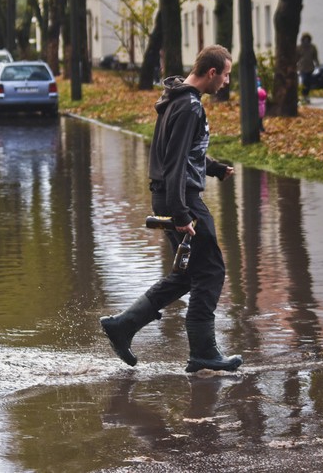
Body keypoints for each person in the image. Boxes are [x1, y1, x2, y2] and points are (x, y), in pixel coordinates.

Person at [100, 44, 243, 373]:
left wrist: (214, 168)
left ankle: (123, 326)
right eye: (226, 75)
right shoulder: (190, 107)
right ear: (211, 72)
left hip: (170, 194)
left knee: (187, 275)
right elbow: (176, 161)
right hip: (183, 199)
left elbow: (182, 153)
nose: (226, 82)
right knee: (210, 272)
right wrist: (181, 213)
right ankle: (204, 351)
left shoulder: (177, 100)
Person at [296, 32, 319, 104]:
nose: (306, 40)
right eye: (305, 39)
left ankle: (307, 95)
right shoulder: (299, 47)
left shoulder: (312, 47)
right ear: (302, 40)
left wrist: (317, 66)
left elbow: (315, 57)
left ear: (309, 40)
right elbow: (296, 57)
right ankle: (304, 96)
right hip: (302, 67)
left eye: (307, 39)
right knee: (304, 81)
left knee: (308, 82)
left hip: (310, 67)